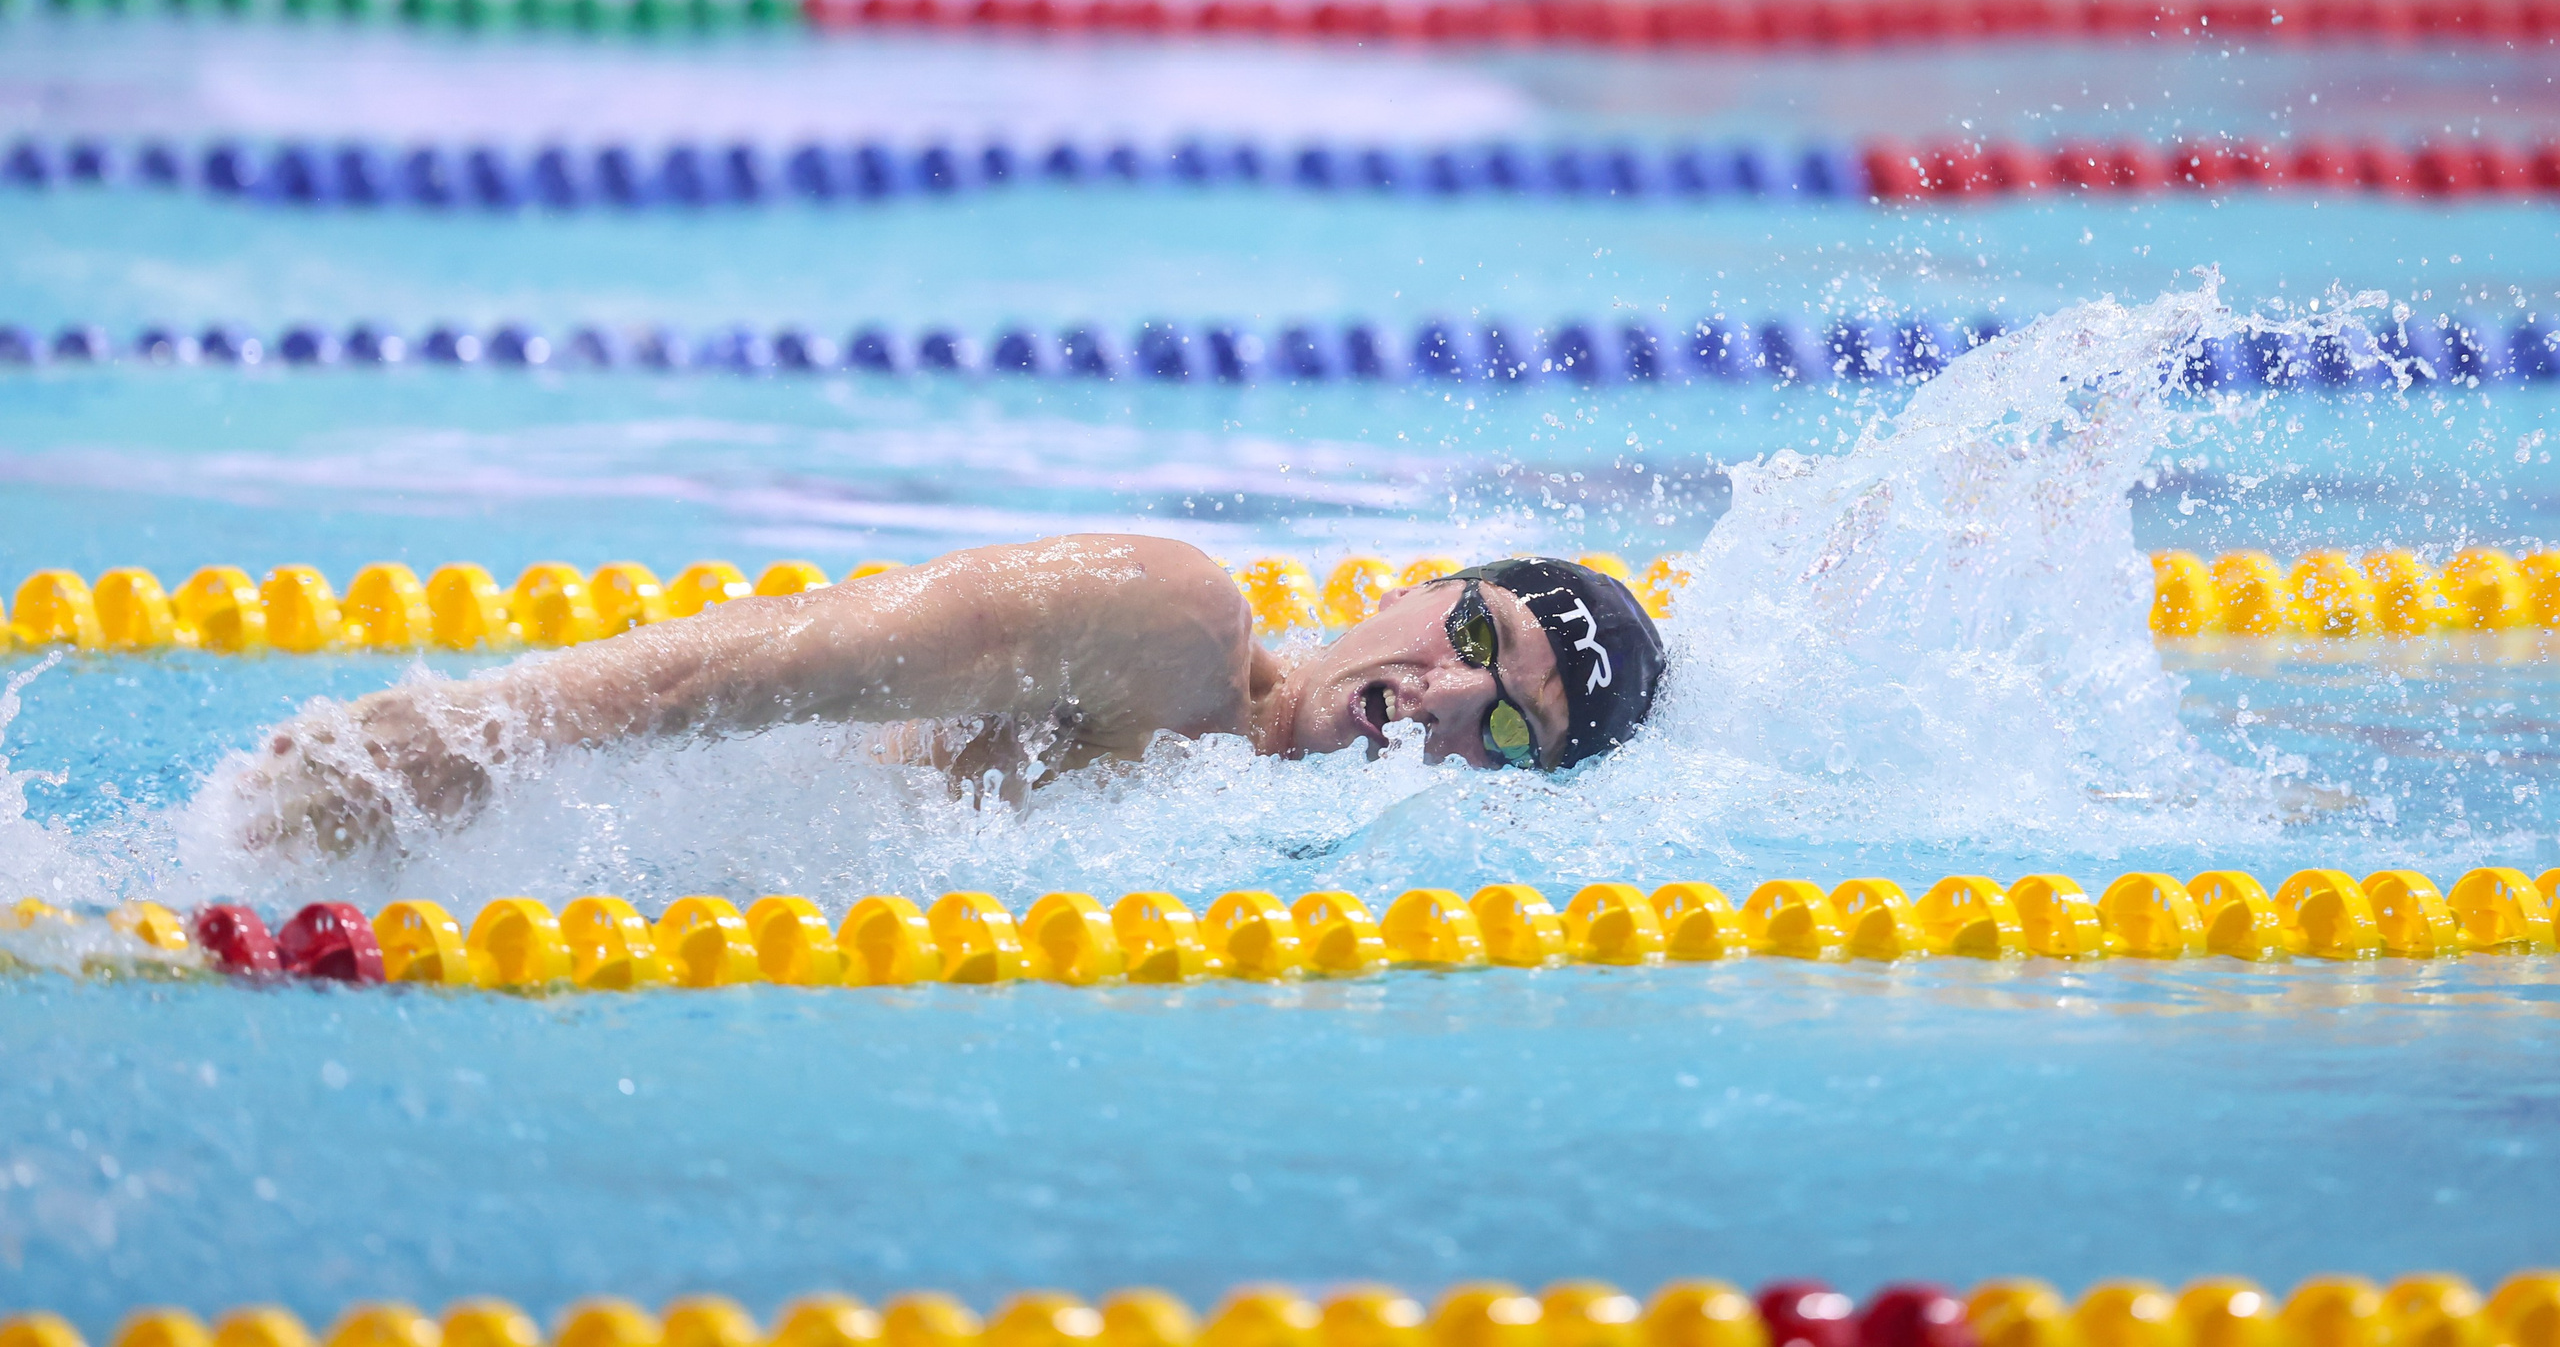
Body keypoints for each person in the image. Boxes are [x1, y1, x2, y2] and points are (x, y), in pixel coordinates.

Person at [237, 534, 1666, 854]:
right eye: (1470, 633)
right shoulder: (1169, 628)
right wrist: (472, 736)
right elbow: (778, 653)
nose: (1442, 695)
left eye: (1506, 727)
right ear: (1425, 585)